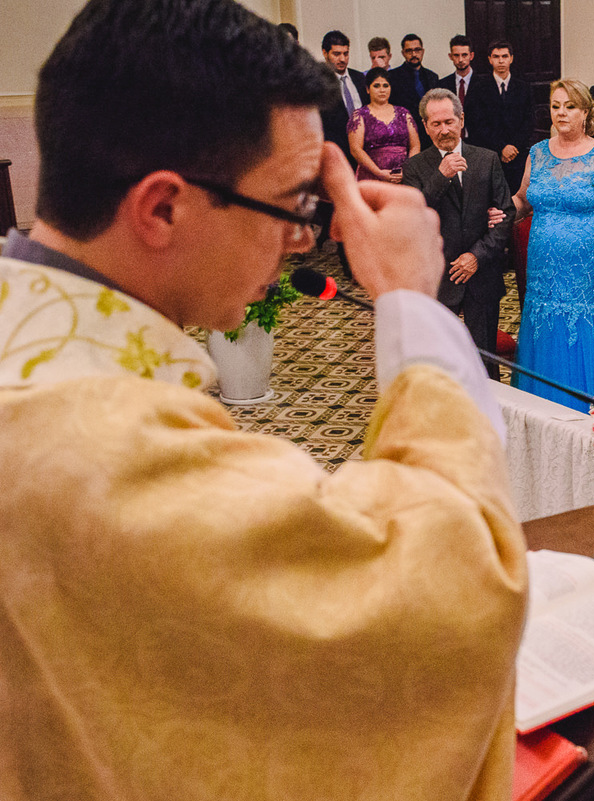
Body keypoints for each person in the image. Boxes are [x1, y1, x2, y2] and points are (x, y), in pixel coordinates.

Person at [0, 0, 527, 797]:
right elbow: (454, 593)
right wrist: (412, 305)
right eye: (288, 201)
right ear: (162, 206)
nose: (299, 238)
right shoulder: (103, 448)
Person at [510, 80, 594, 410]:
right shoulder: (537, 154)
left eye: (570, 106)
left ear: (586, 112)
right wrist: (497, 212)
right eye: (556, 105)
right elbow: (522, 200)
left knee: (583, 343)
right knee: (545, 337)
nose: (561, 112)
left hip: (588, 276)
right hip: (543, 273)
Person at [402, 89, 513, 375]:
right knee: (440, 363)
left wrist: (476, 256)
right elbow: (412, 219)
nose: (444, 130)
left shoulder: (487, 159)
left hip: (482, 276)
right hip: (438, 281)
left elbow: (505, 215)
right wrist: (441, 176)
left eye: (449, 121)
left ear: (461, 121)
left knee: (486, 363)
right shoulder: (414, 167)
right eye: (436, 124)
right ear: (425, 127)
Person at [467, 40, 534, 198]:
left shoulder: (524, 88)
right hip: (489, 154)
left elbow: (529, 121)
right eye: (496, 57)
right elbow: (476, 123)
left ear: (511, 58)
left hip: (517, 155)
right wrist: (501, 147)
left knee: (517, 199)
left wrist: (513, 147)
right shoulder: (478, 88)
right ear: (490, 59)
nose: (501, 60)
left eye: (505, 56)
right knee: (491, 199)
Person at [348, 67, 421, 182]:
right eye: (376, 86)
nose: (382, 90)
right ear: (367, 89)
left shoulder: (404, 113)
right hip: (372, 177)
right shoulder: (359, 115)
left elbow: (415, 146)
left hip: (402, 177)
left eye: (385, 85)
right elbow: (355, 149)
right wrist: (378, 173)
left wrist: (407, 170)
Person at [319, 30, 368, 166]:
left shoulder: (360, 78)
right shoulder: (319, 83)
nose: (342, 59)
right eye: (336, 54)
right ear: (325, 53)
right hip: (338, 153)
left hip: (366, 149)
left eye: (346, 54)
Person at [390, 34, 440, 149]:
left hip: (430, 136)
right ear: (403, 53)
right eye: (409, 51)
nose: (413, 54)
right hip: (404, 136)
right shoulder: (393, 77)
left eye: (417, 50)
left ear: (423, 51)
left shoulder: (432, 77)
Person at [437, 35, 480, 141]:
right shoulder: (442, 84)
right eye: (456, 55)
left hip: (480, 141)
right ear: (450, 56)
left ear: (471, 56)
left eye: (464, 55)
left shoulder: (485, 83)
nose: (460, 60)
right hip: (451, 139)